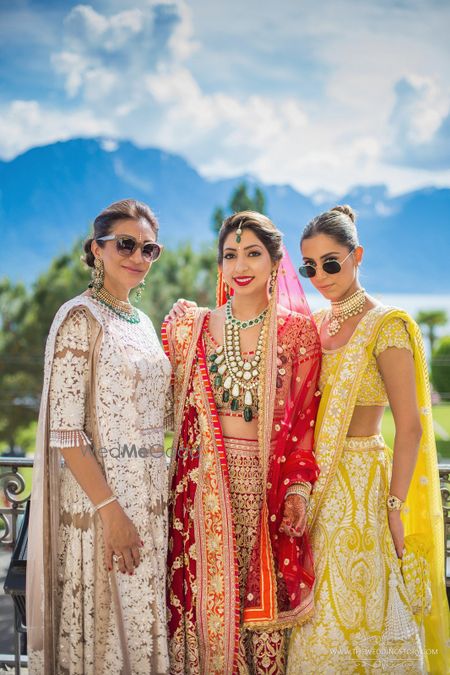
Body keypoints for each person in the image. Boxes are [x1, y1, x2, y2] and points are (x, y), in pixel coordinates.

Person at [287, 205, 449, 674]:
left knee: (370, 609)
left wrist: (395, 507)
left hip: (365, 488)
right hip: (318, 486)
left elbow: (411, 425)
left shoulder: (387, 325)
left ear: (357, 255)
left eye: (331, 262)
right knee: (318, 617)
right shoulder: (316, 325)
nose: (320, 276)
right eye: (309, 266)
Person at [162, 211, 322, 674]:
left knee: (260, 616)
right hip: (203, 487)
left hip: (265, 489)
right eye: (230, 255)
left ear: (276, 262)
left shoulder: (296, 332)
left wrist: (297, 489)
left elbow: (303, 423)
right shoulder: (193, 327)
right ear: (220, 265)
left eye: (253, 253)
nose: (240, 265)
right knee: (206, 610)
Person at [26, 199, 171, 674]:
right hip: (103, 510)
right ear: (97, 249)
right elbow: (67, 434)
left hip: (151, 505)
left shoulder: (144, 324)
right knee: (108, 639)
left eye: (149, 248)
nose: (137, 256)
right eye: (125, 244)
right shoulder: (79, 318)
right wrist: (112, 515)